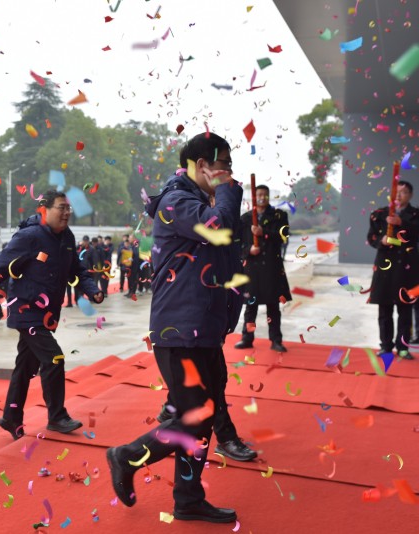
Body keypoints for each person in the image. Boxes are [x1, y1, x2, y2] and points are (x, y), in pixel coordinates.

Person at [107, 132, 242, 523]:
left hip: (202, 327)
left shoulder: (196, 203)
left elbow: (225, 256)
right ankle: (128, 456)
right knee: (197, 414)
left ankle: (188, 498)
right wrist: (228, 190)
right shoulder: (176, 203)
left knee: (203, 414)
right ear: (202, 165)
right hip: (180, 328)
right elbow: (218, 227)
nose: (229, 174)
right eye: (224, 165)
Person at [0, 191, 104, 440]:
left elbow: (77, 269)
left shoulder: (66, 237)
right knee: (54, 358)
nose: (66, 213)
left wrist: (92, 290)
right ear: (45, 209)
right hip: (27, 310)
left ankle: (11, 417)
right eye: (61, 208)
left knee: (25, 367)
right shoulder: (29, 236)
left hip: (47, 313)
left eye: (68, 208)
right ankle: (57, 416)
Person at [234, 185, 291, 353]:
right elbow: (237, 243)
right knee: (250, 306)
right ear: (254, 197)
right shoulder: (245, 219)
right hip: (252, 268)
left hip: (272, 267)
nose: (262, 197)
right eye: (259, 194)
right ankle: (247, 338)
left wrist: (263, 232)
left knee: (273, 306)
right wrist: (248, 251)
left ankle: (276, 340)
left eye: (265, 195)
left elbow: (284, 237)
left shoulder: (279, 216)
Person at [367, 180, 419, 361]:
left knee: (405, 311)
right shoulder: (379, 214)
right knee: (384, 310)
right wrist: (381, 241)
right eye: (396, 191)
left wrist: (401, 222)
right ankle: (386, 346)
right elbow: (371, 237)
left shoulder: (415, 214)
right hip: (385, 267)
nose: (398, 195)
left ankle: (403, 348)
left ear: (410, 195)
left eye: (403, 192)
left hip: (407, 268)